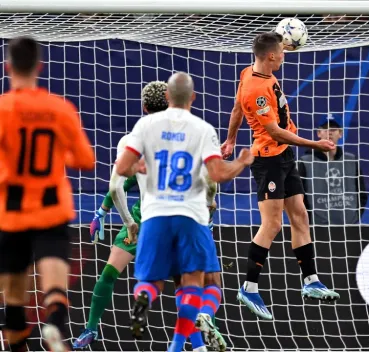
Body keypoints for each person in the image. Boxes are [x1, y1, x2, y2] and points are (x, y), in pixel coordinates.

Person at [74, 81, 226, 351]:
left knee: (108, 275)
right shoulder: (190, 132)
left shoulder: (136, 137)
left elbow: (120, 183)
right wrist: (209, 209)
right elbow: (210, 179)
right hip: (180, 217)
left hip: (143, 218)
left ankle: (90, 329)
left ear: (144, 106)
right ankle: (196, 342)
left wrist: (107, 213)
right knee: (188, 284)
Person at [116, 72, 253, 352]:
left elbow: (121, 168)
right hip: (191, 215)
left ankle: (144, 298)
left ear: (167, 96)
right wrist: (241, 162)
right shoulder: (203, 129)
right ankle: (178, 346)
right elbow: (217, 173)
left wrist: (138, 167)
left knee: (151, 281)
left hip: (154, 216)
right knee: (200, 283)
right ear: (193, 97)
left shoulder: (145, 126)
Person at [220, 32, 339, 320]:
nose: (285, 55)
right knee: (272, 223)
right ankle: (248, 287)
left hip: (284, 156)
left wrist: (231, 139)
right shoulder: (256, 89)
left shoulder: (252, 71)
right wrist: (316, 144)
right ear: (271, 56)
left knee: (300, 215)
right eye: (282, 52)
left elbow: (236, 109)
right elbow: (273, 131)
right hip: (269, 160)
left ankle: (310, 281)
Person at [0, 36, 95, 352]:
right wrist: (58, 157)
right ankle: (53, 326)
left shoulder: (3, 109)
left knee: (14, 300)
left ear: (8, 66)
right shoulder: (59, 108)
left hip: (11, 213)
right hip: (51, 210)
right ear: (39, 66)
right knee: (55, 288)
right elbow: (86, 160)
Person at [298, 114, 367, 225]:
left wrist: (354, 216)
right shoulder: (305, 162)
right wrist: (309, 219)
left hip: (348, 225)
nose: (329, 132)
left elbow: (362, 193)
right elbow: (298, 197)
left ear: (340, 133)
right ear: (318, 133)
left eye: (333, 129)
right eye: (325, 128)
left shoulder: (351, 160)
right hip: (316, 226)